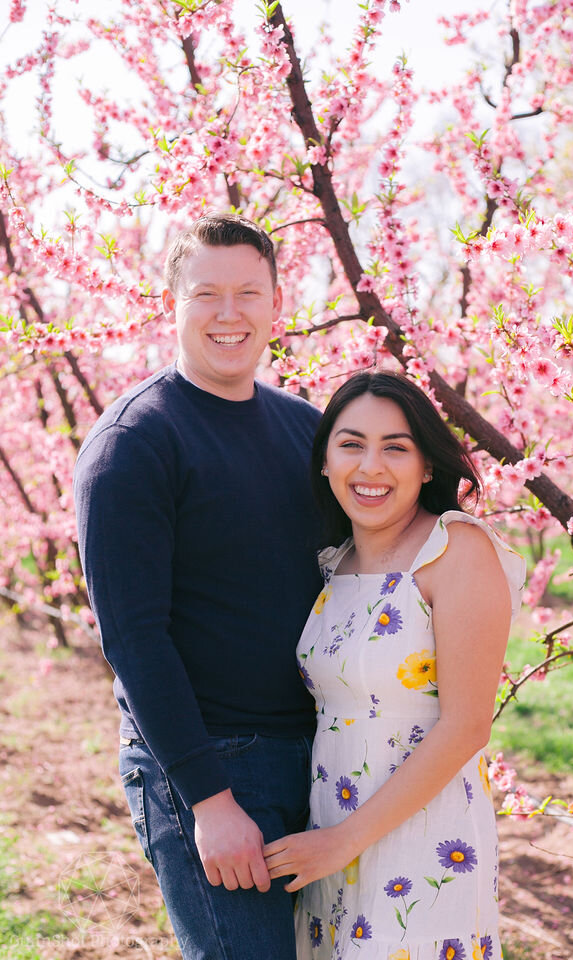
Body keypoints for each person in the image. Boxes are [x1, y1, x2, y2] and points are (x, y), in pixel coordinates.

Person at [73, 213, 324, 960]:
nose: (228, 313)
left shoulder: (307, 430)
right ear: (171, 301)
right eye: (206, 293)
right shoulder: (135, 443)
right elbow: (133, 638)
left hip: (319, 754)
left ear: (278, 304)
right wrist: (209, 800)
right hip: (212, 762)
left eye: (248, 293)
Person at [264, 371, 526, 960]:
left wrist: (343, 842)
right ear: (326, 462)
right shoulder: (336, 562)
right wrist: (329, 843)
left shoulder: (456, 549)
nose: (371, 467)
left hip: (423, 846)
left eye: (396, 448)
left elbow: (466, 726)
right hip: (328, 837)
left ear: (428, 465)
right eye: (351, 444)